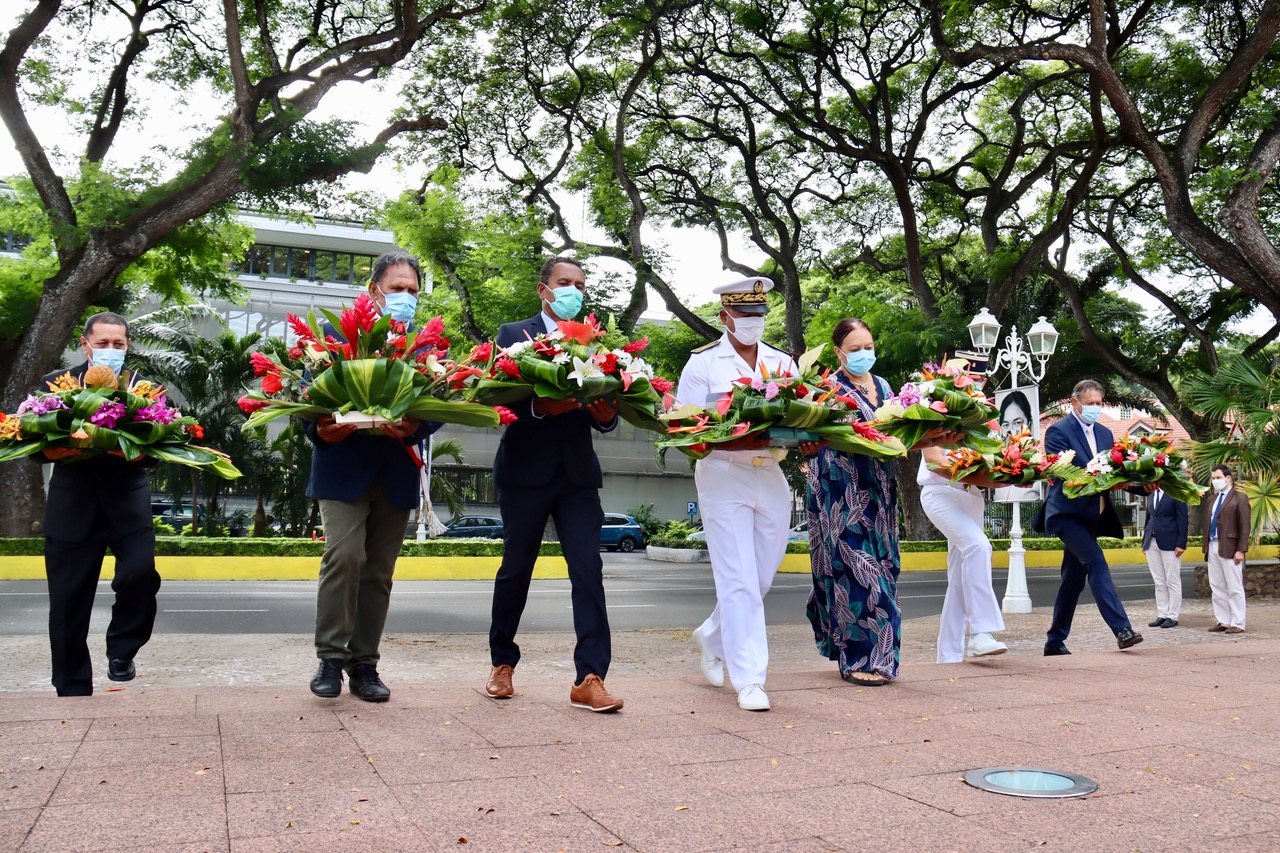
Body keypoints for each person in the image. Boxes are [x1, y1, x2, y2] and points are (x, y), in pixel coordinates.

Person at [484, 256, 624, 713]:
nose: (574, 291)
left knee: (588, 572)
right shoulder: (512, 334)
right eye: (565, 283)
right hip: (525, 473)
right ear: (543, 289)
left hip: (577, 478)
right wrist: (547, 407)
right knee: (515, 571)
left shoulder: (594, 340)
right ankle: (502, 664)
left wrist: (606, 415)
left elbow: (606, 404)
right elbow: (500, 400)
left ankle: (591, 677)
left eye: (580, 284)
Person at [308, 251, 441, 702]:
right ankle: (329, 659)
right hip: (343, 465)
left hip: (398, 469)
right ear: (374, 291)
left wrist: (416, 426)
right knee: (344, 558)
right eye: (397, 289)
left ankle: (364, 665)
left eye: (413, 292)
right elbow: (307, 397)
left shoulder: (424, 345)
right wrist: (322, 427)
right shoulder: (333, 335)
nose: (405, 298)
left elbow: (439, 401)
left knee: (379, 572)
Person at [800, 319, 960, 686]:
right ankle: (861, 658)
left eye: (868, 347)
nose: (863, 354)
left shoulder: (886, 387)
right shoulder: (825, 388)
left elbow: (896, 440)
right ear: (838, 351)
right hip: (838, 490)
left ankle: (870, 652)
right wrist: (808, 444)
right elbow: (810, 435)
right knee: (856, 571)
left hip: (879, 490)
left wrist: (939, 440)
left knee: (885, 569)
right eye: (854, 349)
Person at [678, 276, 797, 711]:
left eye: (760, 315)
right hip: (724, 474)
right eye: (745, 315)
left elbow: (801, 415)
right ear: (725, 316)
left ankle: (712, 634)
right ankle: (750, 679)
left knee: (761, 577)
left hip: (771, 475)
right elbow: (687, 429)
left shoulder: (784, 362)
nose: (753, 322)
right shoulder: (703, 364)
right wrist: (731, 438)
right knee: (739, 580)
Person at [38, 312, 162, 696]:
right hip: (71, 505)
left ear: (128, 346)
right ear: (85, 343)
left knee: (140, 576)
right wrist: (75, 442)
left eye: (118, 344)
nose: (111, 350)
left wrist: (131, 449)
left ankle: (122, 652)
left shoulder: (146, 390)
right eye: (103, 343)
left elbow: (156, 450)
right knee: (68, 600)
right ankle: (72, 685)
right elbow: (38, 449)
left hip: (128, 502)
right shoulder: (54, 386)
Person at [1038, 379, 1145, 655]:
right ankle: (1122, 629)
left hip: (1092, 517)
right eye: (1090, 404)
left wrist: (1142, 484)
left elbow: (1115, 470)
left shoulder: (1106, 434)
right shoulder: (1057, 432)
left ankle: (1054, 641)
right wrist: (1112, 482)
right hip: (1067, 515)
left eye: (1098, 404)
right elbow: (1072, 475)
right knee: (1096, 561)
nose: (1095, 409)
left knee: (1073, 580)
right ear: (1074, 402)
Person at [918, 448, 1008, 663]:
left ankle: (948, 655)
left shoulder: (984, 423)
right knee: (978, 546)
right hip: (940, 491)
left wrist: (1013, 474)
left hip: (973, 496)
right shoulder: (938, 415)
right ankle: (981, 632)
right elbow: (934, 460)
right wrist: (987, 479)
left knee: (959, 578)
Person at [1203, 464, 1250, 634]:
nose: (1215, 481)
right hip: (1213, 544)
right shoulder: (1211, 500)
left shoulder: (1240, 498)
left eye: (1218, 478)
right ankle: (1223, 620)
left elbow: (1245, 526)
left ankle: (1238, 622)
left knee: (1234, 586)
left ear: (1228, 478)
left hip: (1230, 547)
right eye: (1214, 478)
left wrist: (1241, 550)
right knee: (1217, 586)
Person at [1142, 487, 1188, 629]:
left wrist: (1181, 543)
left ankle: (1172, 616)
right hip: (1152, 542)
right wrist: (1145, 542)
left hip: (1170, 542)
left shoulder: (1176, 493)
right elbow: (1149, 518)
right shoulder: (1151, 494)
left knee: (1172, 580)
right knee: (1159, 581)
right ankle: (1162, 613)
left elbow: (1183, 519)